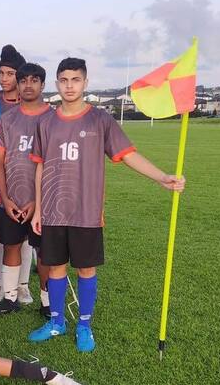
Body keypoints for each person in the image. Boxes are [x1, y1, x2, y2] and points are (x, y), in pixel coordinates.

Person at [29, 58, 186, 352]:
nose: (69, 85)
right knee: (55, 267)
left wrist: (161, 177)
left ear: (85, 83)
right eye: (64, 80)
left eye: (75, 80)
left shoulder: (100, 120)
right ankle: (56, 322)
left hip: (87, 212)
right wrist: (38, 209)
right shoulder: (45, 122)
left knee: (86, 270)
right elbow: (39, 167)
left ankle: (84, 325)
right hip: (52, 210)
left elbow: (127, 154)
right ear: (57, 84)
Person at [0, 63, 51, 317]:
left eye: (34, 80)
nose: (28, 85)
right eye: (23, 80)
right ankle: (10, 298)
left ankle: (47, 303)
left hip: (43, 203)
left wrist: (37, 202)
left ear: (43, 85)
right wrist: (5, 197)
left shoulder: (52, 118)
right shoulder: (7, 119)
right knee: (11, 245)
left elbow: (54, 165)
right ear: (18, 84)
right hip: (11, 199)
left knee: (44, 252)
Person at [0, 44, 27, 305]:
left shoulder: (29, 104)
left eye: (10, 73)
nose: (4, 78)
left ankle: (22, 285)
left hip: (24, 180)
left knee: (24, 236)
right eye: (1, 73)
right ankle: (0, 283)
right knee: (1, 233)